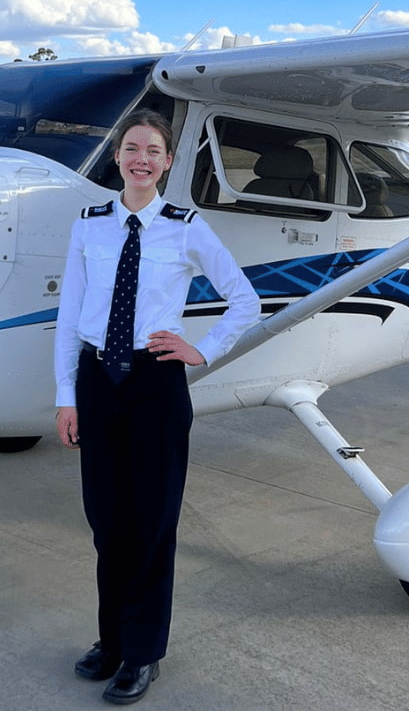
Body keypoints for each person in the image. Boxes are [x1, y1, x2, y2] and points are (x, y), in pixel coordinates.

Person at [54, 109, 260, 705]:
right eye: (131, 148)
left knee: (150, 523)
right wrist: (66, 396)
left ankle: (143, 653)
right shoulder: (89, 225)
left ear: (168, 163)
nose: (141, 158)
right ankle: (112, 641)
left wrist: (204, 350)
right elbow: (70, 317)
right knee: (106, 522)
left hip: (155, 383)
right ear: (117, 158)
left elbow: (243, 300)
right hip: (98, 379)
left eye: (153, 151)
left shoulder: (185, 226)